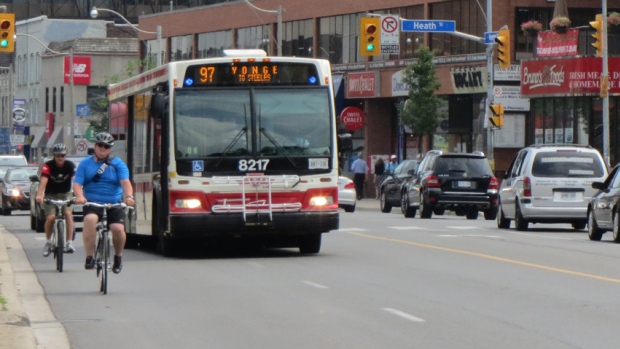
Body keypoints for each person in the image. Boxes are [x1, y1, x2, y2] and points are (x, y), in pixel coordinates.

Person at [73, 132, 135, 274]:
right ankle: (89, 257)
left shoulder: (118, 163)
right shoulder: (85, 164)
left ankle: (118, 257)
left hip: (114, 202)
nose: (102, 148)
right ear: (94, 146)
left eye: (106, 146)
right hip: (93, 203)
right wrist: (80, 196)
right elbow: (77, 184)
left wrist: (129, 196)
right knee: (89, 219)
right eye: (100, 145)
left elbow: (125, 182)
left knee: (118, 229)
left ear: (110, 149)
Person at [37, 143, 77, 256]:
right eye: (58, 156)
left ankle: (69, 242)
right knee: (50, 217)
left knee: (68, 214)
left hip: (66, 194)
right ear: (54, 156)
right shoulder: (47, 165)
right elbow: (43, 181)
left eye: (63, 156)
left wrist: (79, 195)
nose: (60, 158)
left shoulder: (70, 165)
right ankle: (49, 242)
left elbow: (75, 181)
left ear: (65, 156)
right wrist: (40, 195)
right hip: (51, 194)